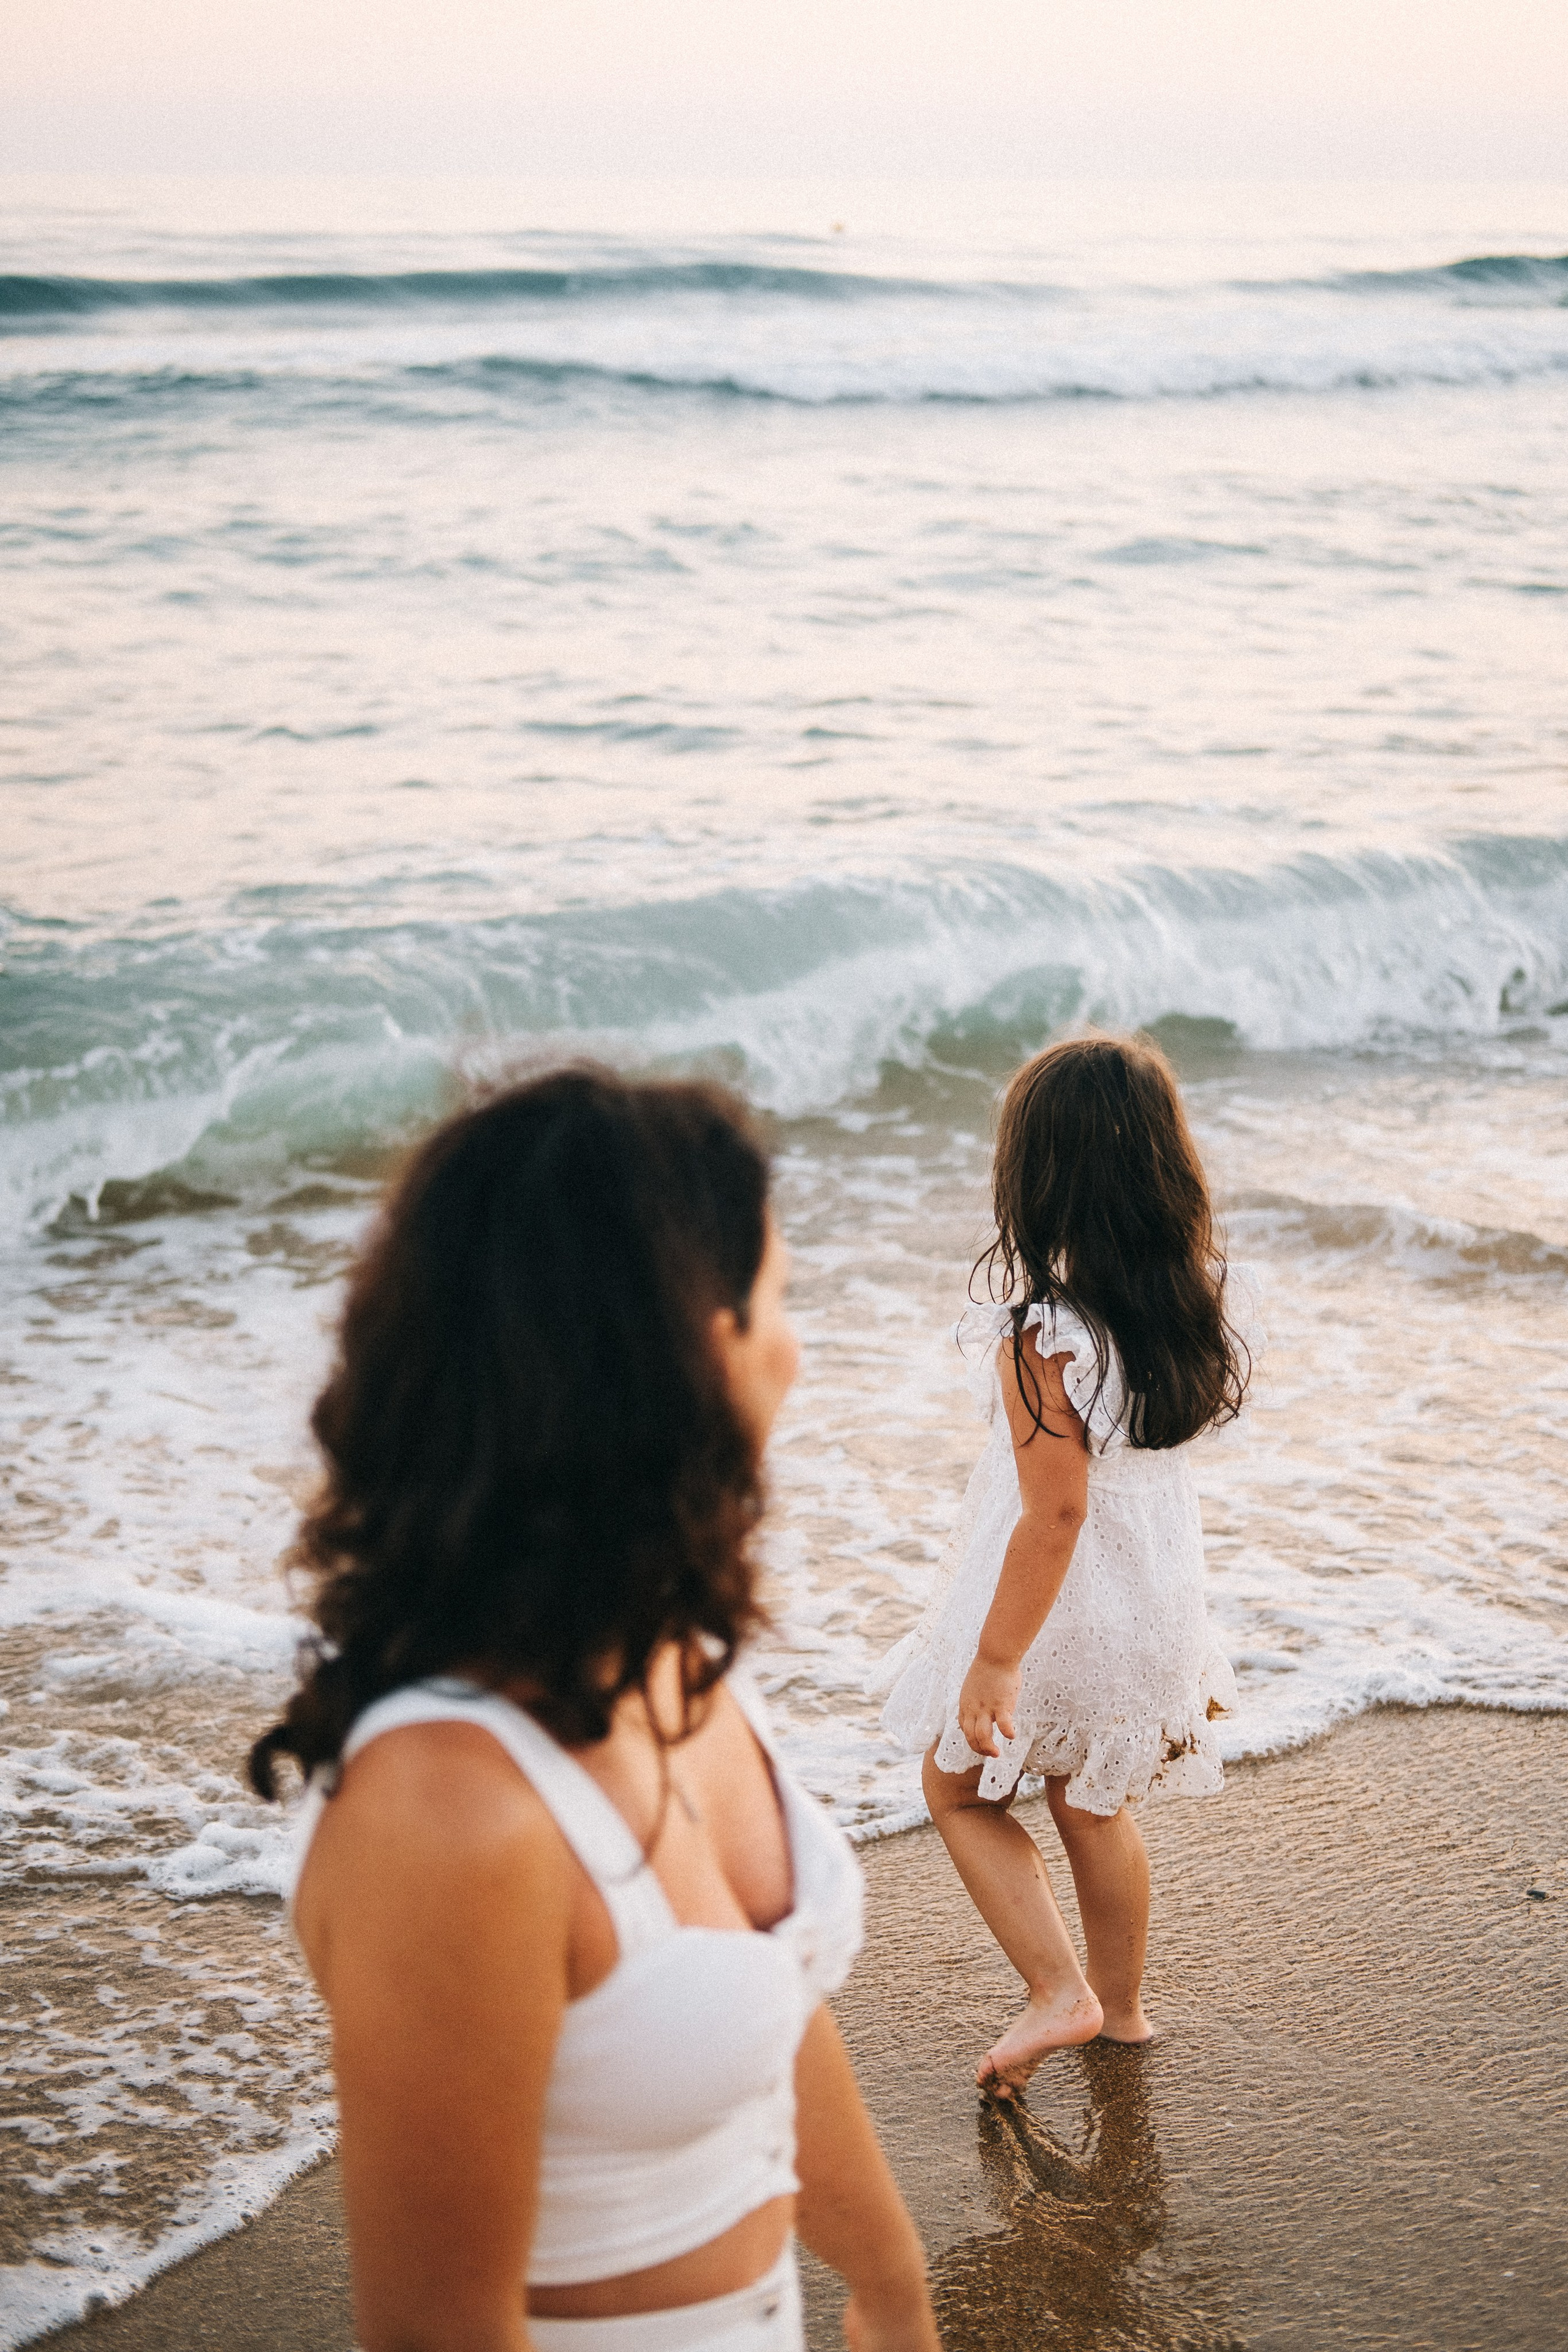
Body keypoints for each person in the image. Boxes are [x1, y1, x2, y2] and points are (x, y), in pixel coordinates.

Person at [250, 1068, 940, 2352]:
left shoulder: (672, 1660)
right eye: (780, 1299)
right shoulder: (446, 1816)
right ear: (693, 1347)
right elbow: (439, 2337)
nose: (799, 1347)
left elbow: (773, 2008)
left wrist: (894, 2289)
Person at [875, 1036, 1248, 2096]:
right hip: (1151, 1602)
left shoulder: (1048, 1334)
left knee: (953, 1789)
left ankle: (1059, 1990)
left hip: (1059, 1611)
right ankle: (1122, 2012)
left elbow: (1054, 1512)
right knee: (1092, 1804)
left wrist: (995, 1660)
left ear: (1037, 1178)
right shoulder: (1193, 1306)